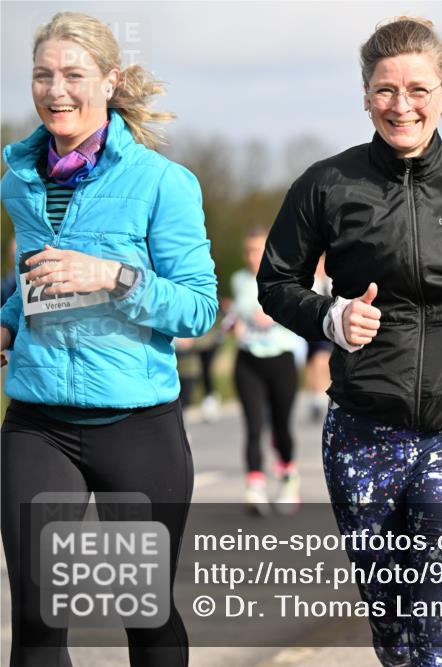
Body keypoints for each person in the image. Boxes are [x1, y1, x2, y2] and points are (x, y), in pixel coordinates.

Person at [256, 17, 442, 667]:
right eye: (385, 90)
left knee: (438, 624)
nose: (402, 104)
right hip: (364, 433)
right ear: (366, 97)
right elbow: (275, 281)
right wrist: (331, 317)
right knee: (394, 630)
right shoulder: (327, 184)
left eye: (418, 89)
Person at [0, 12, 217, 666]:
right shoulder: (18, 179)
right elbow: (29, 280)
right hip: (38, 422)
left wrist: (115, 276)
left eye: (73, 74)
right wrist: (7, 319)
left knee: (140, 612)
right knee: (37, 620)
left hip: (136, 426)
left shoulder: (161, 183)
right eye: (43, 75)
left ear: (109, 80)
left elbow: (199, 307)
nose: (56, 89)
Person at [227, 226, 303, 516]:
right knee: (253, 426)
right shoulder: (239, 280)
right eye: (248, 251)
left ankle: (288, 478)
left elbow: (301, 316)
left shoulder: (287, 277)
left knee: (281, 427)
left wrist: (274, 316)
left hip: (281, 359)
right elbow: (235, 315)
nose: (251, 257)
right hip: (248, 360)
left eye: (257, 251)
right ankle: (255, 487)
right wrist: (236, 325)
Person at [305, 253, 334, 421]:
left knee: (321, 360)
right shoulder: (312, 282)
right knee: (313, 363)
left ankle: (320, 395)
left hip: (328, 329)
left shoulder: (330, 281)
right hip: (314, 328)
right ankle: (315, 396)